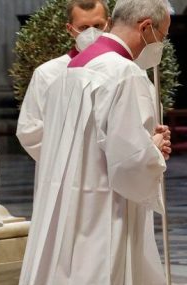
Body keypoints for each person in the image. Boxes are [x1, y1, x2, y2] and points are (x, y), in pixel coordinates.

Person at [3, 0, 177, 285]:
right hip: (106, 213)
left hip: (66, 210)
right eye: (162, 37)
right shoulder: (125, 75)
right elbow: (130, 166)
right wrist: (155, 151)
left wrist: (142, 147)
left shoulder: (71, 70)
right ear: (146, 26)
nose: (159, 46)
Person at [17, 0, 111, 163]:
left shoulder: (125, 69)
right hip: (63, 172)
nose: (91, 33)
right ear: (70, 29)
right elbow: (29, 131)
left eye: (97, 26)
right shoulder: (47, 74)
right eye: (83, 28)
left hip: (113, 169)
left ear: (108, 24)